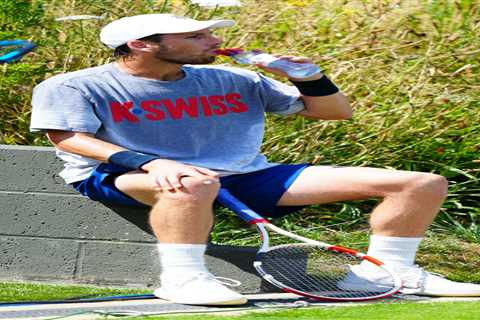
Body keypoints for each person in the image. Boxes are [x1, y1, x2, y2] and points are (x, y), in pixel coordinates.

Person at [30, 13, 480, 306]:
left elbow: (333, 112)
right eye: (196, 36)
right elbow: (67, 137)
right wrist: (150, 162)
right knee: (192, 182)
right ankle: (183, 278)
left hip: (246, 175)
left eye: (208, 32)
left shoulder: (235, 78)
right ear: (144, 44)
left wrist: (311, 77)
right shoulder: (76, 84)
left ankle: (385, 273)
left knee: (419, 182)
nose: (213, 40)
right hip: (121, 173)